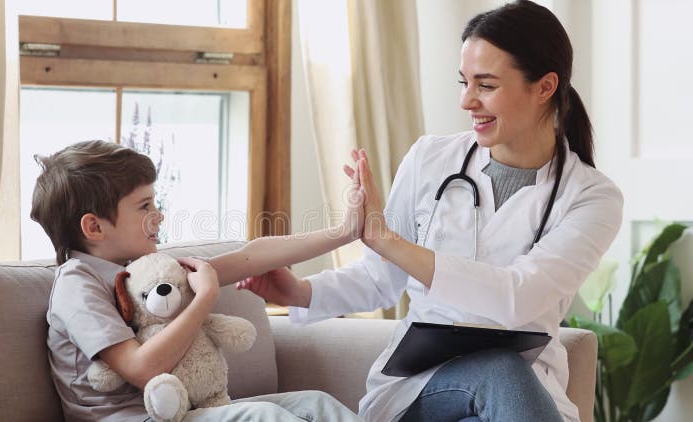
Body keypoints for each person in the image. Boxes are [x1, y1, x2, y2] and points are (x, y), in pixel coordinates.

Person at [237, 1, 623, 421]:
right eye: (464, 82)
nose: (466, 101)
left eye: (486, 85)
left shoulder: (591, 197)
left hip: (526, 392)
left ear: (545, 87)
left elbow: (518, 297)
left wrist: (387, 239)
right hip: (420, 388)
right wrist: (299, 292)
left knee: (503, 375)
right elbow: (380, 278)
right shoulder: (431, 159)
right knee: (500, 368)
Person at [31, 140, 366, 421]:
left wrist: (345, 233)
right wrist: (204, 298)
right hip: (134, 419)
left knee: (315, 404)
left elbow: (251, 257)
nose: (158, 214)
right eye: (145, 205)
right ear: (94, 228)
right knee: (266, 417)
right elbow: (140, 368)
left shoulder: (143, 270)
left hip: (178, 412)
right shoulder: (78, 285)